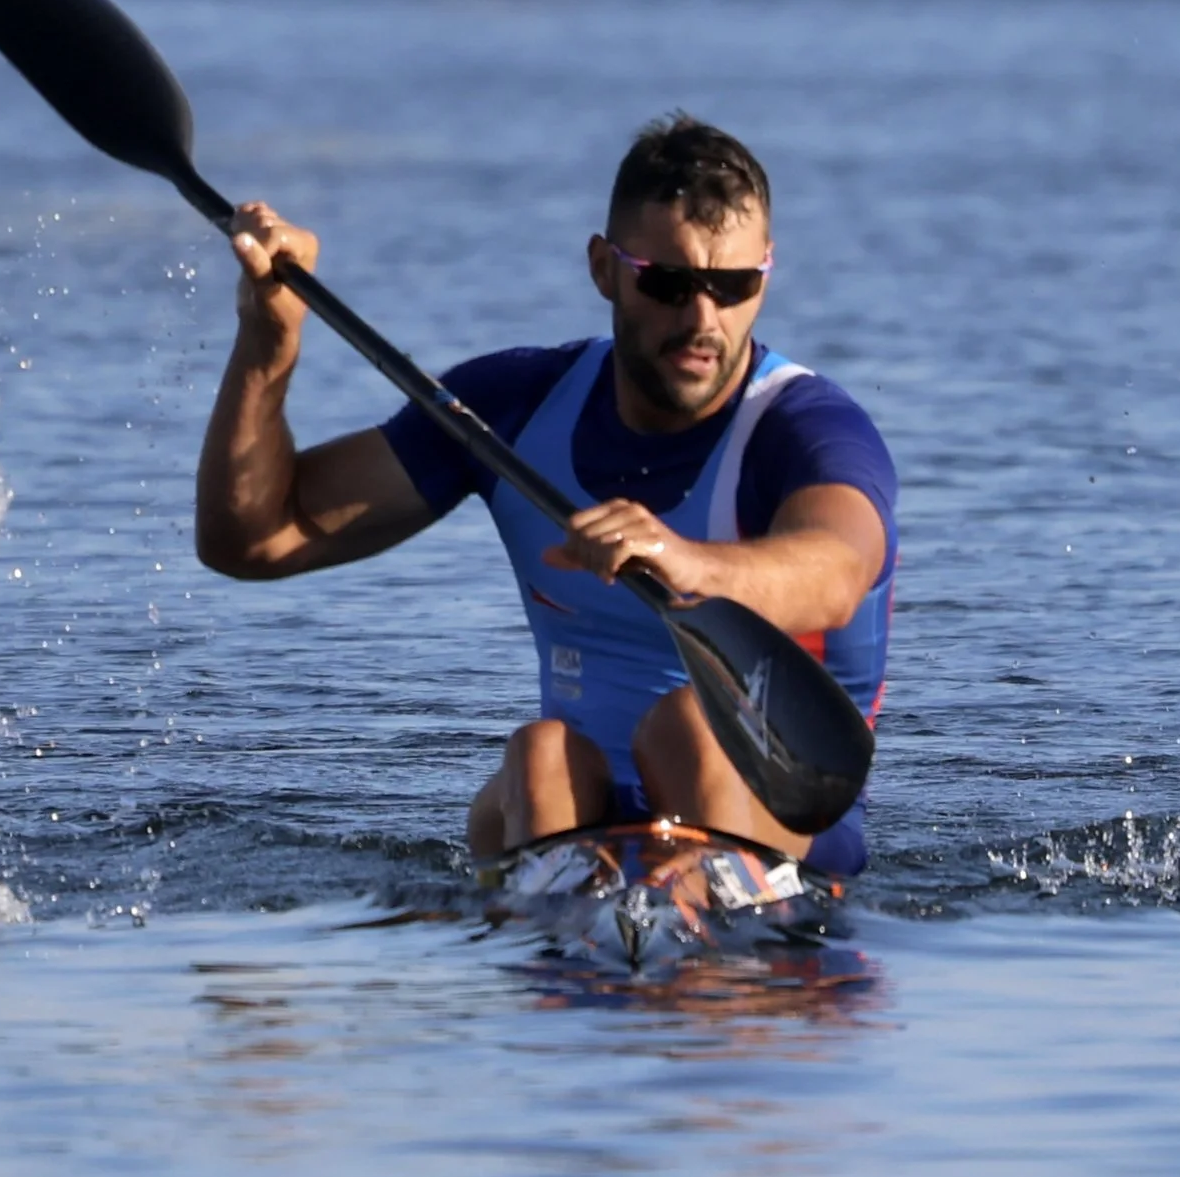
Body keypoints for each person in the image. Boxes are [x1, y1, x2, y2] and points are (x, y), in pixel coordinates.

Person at [193, 115, 896, 871]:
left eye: (733, 286)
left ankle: (686, 944)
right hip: (573, 806)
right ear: (604, 269)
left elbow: (836, 572)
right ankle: (573, 939)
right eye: (669, 282)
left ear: (765, 273)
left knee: (686, 726)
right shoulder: (513, 406)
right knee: (540, 753)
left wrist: (690, 561)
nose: (704, 319)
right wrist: (270, 340)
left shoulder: (804, 427)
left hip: (783, 814)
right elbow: (254, 537)